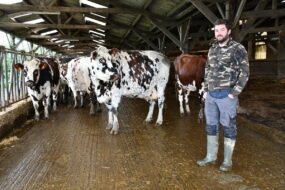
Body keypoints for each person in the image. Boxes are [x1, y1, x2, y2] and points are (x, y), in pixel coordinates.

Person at [197, 19, 250, 171]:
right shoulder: (212, 49)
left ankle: (227, 161)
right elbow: (207, 70)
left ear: (228, 31)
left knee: (228, 127)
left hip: (227, 95)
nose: (218, 33)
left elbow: (245, 72)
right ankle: (211, 157)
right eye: (216, 30)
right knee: (211, 126)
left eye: (221, 30)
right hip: (211, 96)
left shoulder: (237, 48)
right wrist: (206, 90)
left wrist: (234, 93)